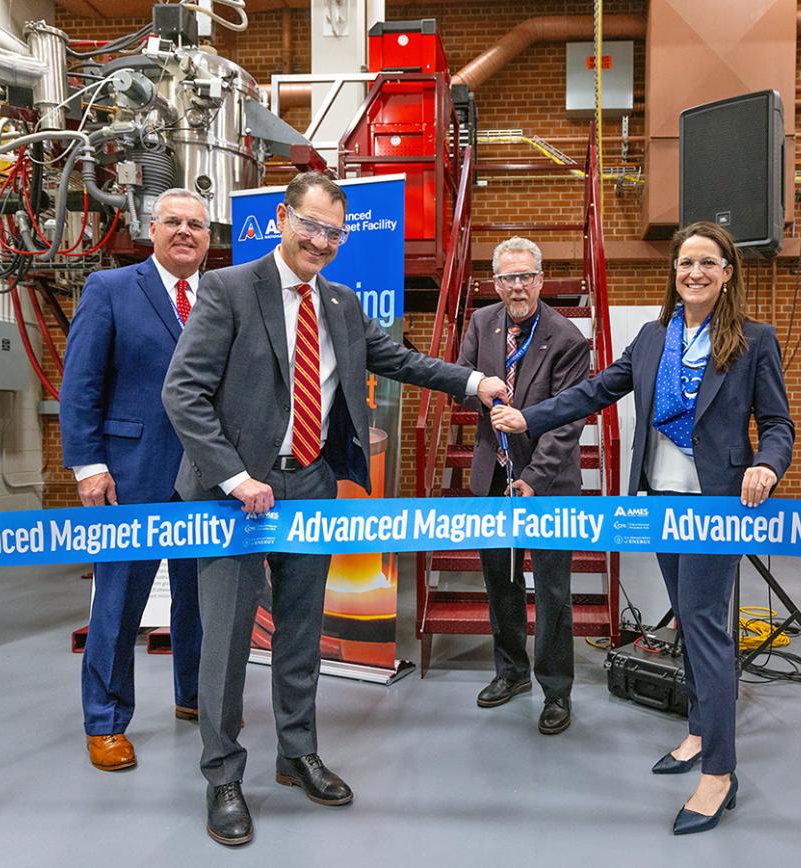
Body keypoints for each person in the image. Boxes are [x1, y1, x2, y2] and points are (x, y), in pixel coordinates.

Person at [163, 171, 508, 847]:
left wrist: (472, 380)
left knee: (300, 631)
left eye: (333, 232)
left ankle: (296, 753)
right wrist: (234, 477)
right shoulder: (230, 289)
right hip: (234, 498)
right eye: (311, 226)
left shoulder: (343, 305)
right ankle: (223, 775)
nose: (320, 241)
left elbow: (400, 359)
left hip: (311, 486)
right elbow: (184, 394)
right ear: (281, 221)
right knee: (229, 638)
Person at [492, 221, 794, 835]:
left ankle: (720, 771)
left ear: (727, 272)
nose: (695, 274)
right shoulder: (654, 337)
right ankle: (697, 732)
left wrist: (766, 463)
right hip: (659, 503)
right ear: (674, 271)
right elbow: (595, 390)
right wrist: (529, 418)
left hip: (715, 510)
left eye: (708, 263)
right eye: (686, 263)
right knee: (686, 617)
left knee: (706, 628)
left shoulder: (754, 341)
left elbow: (779, 424)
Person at [59, 188, 210, 772]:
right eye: (173, 221)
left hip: (205, 479)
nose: (185, 232)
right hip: (130, 475)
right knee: (119, 602)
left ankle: (193, 696)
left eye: (196, 224)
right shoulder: (111, 289)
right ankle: (105, 720)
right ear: (153, 229)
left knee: (201, 600)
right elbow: (81, 385)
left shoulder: (218, 298)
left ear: (206, 238)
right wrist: (89, 466)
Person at [456, 237, 590, 735]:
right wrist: (487, 400)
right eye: (508, 278)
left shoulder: (568, 337)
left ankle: (556, 690)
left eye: (526, 276)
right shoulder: (480, 323)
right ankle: (511, 672)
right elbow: (464, 383)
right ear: (496, 283)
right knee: (500, 581)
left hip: (548, 482)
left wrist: (534, 479)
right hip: (492, 476)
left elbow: (568, 421)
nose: (518, 286)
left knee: (553, 589)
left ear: (541, 278)